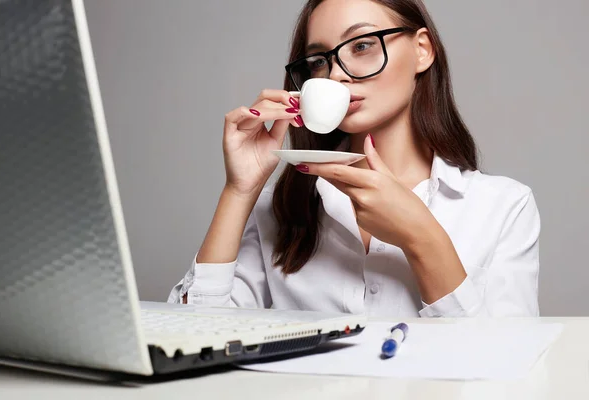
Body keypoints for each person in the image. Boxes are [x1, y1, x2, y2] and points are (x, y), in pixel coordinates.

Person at [168, 0, 540, 317]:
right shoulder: (281, 209)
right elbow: (195, 337)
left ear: (422, 50)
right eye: (318, 61)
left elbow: (508, 366)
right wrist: (239, 190)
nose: (336, 75)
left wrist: (421, 236)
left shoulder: (504, 207)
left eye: (362, 46)